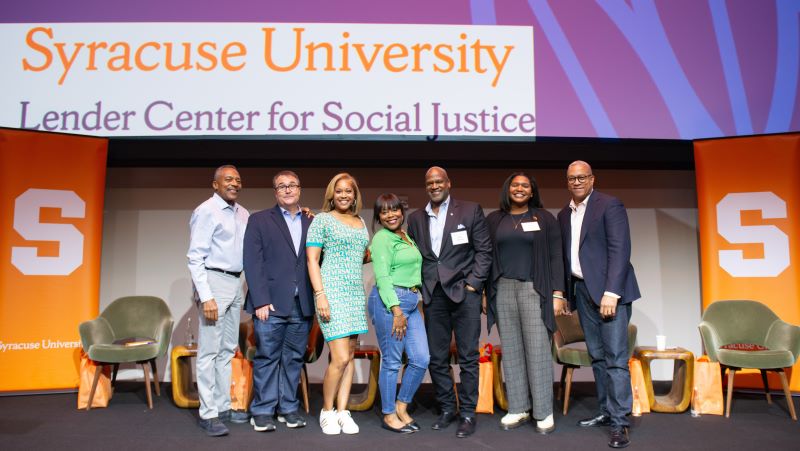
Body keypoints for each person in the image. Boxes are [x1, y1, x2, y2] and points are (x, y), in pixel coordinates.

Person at [557, 161, 641, 449]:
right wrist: (568, 295)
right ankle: (606, 411)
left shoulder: (609, 205)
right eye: (572, 178)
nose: (577, 181)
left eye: (582, 177)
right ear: (567, 182)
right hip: (582, 292)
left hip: (609, 295)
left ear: (592, 179)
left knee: (616, 359)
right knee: (597, 357)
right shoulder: (563, 214)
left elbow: (620, 249)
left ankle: (620, 422)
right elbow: (568, 259)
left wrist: (612, 293)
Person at [406, 166, 492, 438]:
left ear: (448, 183)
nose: (434, 186)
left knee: (467, 357)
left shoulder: (470, 210)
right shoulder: (416, 218)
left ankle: (467, 412)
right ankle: (447, 408)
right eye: (429, 182)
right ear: (426, 186)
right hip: (434, 295)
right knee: (437, 357)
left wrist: (473, 285)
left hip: (464, 294)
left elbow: (484, 251)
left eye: (438, 181)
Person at [485, 172, 566, 434]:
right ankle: (518, 407)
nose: (519, 189)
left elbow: (556, 257)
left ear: (532, 192)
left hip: (535, 289)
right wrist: (486, 293)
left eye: (525, 186)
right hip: (503, 288)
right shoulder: (494, 219)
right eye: (515, 185)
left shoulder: (544, 218)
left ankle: (543, 411)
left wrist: (557, 293)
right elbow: (486, 257)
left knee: (538, 350)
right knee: (511, 350)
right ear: (507, 189)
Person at [243, 170, 314, 432]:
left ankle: (288, 408)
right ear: (275, 192)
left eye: (292, 185)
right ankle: (262, 410)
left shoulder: (311, 221)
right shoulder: (259, 220)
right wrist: (260, 300)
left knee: (293, 358)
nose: (287, 189)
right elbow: (253, 262)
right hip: (270, 304)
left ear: (299, 189)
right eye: (281, 186)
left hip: (302, 303)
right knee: (267, 357)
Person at [187, 165, 250, 437]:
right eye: (228, 179)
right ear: (215, 185)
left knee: (227, 349)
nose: (234, 183)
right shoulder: (206, 211)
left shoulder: (243, 213)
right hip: (214, 281)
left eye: (237, 179)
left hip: (237, 282)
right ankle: (208, 413)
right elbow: (194, 257)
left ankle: (223, 407)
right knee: (209, 351)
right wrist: (206, 295)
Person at [306, 173, 370, 435]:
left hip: (355, 293)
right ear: (331, 194)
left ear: (355, 195)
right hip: (331, 291)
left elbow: (360, 257)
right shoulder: (321, 220)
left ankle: (344, 412)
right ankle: (327, 411)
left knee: (350, 356)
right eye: (339, 191)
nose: (344, 195)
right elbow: (312, 260)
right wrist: (320, 294)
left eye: (349, 191)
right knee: (340, 357)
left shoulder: (361, 222)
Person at [367, 193, 429, 434]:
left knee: (421, 358)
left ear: (402, 212)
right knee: (392, 361)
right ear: (379, 217)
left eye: (394, 210)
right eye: (384, 212)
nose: (390, 215)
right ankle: (389, 414)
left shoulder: (405, 236)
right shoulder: (382, 238)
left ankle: (402, 406)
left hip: (411, 300)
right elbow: (382, 277)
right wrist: (396, 310)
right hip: (391, 302)